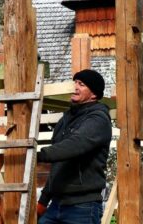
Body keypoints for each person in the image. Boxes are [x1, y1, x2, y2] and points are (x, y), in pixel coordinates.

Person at [36, 69, 112, 224]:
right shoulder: (66, 119)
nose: (75, 87)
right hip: (56, 204)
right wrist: (44, 200)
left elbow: (74, 145)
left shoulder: (98, 119)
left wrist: (37, 155)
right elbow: (58, 164)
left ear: (94, 94)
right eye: (75, 82)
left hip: (82, 207)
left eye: (81, 84)